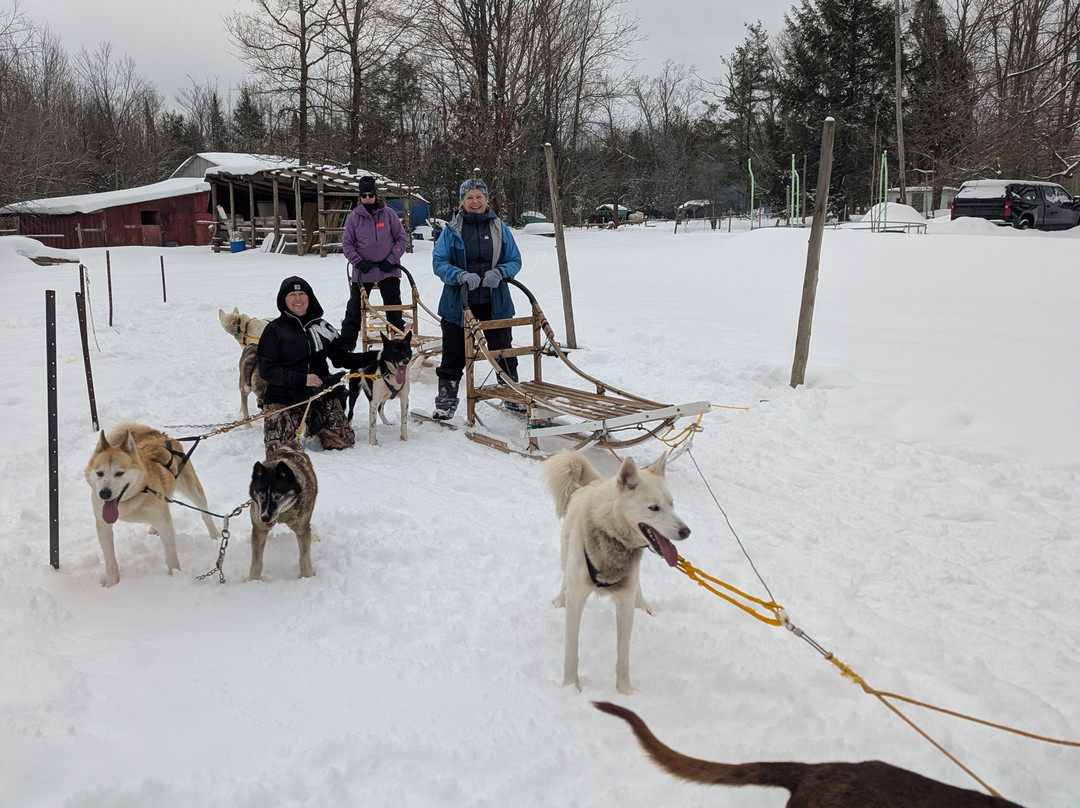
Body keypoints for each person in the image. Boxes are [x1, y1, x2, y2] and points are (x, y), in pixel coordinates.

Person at [430, 178, 522, 420]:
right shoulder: (451, 230)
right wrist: (458, 275)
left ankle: (511, 393)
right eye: (469, 197)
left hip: (495, 301)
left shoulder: (500, 228)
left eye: (479, 197)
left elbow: (514, 260)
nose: (474, 202)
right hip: (458, 302)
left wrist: (501, 272)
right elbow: (439, 262)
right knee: (453, 353)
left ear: (486, 199)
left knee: (502, 350)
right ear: (462, 201)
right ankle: (446, 401)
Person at [257, 276, 362, 451]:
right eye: (292, 294)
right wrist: (301, 379)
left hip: (319, 392)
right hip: (284, 395)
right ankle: (283, 417)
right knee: (282, 449)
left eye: (302, 293)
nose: (298, 299)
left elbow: (342, 359)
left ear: (309, 297)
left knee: (342, 441)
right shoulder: (274, 330)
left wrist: (379, 356)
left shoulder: (322, 326)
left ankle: (315, 423)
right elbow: (267, 370)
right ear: (284, 300)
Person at [341, 175, 409, 337]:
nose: (367, 198)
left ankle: (397, 339)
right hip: (364, 270)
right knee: (355, 306)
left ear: (376, 195)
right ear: (360, 197)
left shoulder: (388, 214)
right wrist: (358, 262)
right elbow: (347, 244)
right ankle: (347, 341)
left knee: (393, 304)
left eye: (370, 195)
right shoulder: (354, 217)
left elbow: (401, 239)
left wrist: (392, 259)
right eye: (364, 196)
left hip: (388, 268)